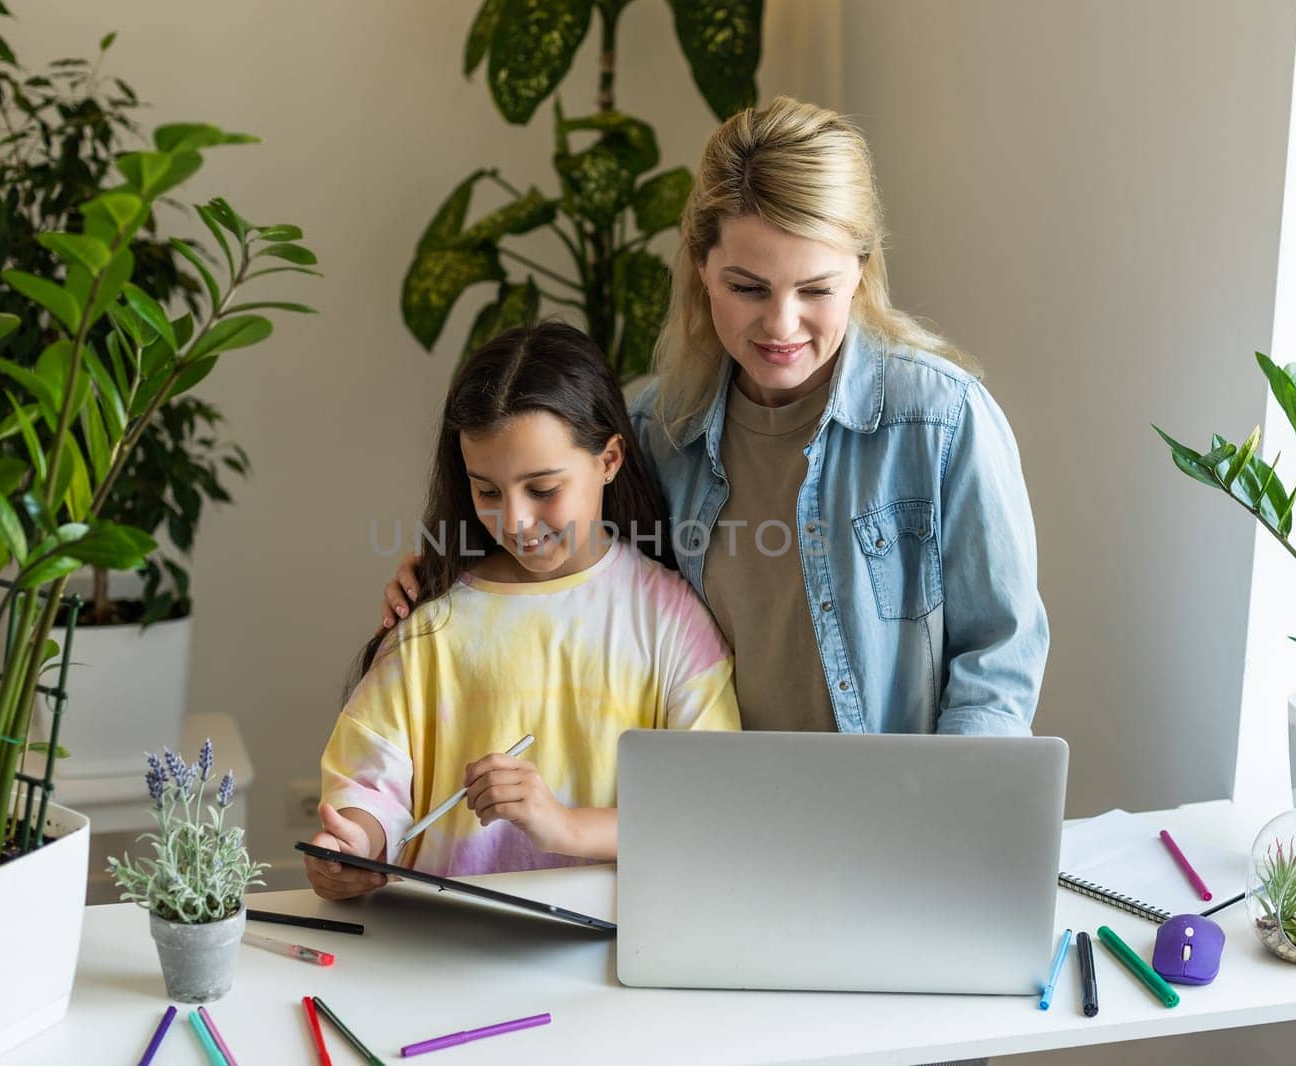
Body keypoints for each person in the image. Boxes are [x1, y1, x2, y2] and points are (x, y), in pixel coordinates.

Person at [381, 96, 1047, 741]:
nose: (781, 325)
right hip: (705, 823)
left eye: (815, 289)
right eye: (747, 287)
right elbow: (574, 581)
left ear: (861, 269)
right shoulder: (652, 430)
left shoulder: (942, 422)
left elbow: (998, 655)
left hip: (898, 826)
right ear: (701, 267)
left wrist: (952, 810)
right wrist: (452, 571)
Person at [305, 323, 740, 902]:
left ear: (609, 459)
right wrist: (352, 848)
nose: (513, 521)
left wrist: (560, 824)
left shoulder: (670, 621)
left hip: (606, 955)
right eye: (487, 491)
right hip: (440, 945)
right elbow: (371, 783)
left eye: (542, 488)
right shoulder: (433, 619)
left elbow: (708, 807)